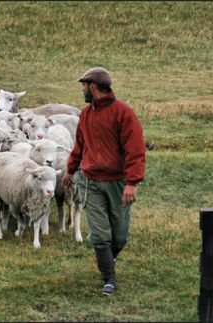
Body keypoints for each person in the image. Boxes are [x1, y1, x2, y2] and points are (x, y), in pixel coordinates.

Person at [63, 67, 146, 296]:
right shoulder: (86, 113)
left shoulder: (123, 113)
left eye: (84, 85)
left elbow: (136, 150)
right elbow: (80, 144)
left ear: (93, 86)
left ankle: (109, 260)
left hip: (118, 182)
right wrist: (70, 170)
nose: (82, 90)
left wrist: (132, 182)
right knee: (100, 234)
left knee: (119, 235)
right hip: (90, 182)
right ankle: (109, 278)